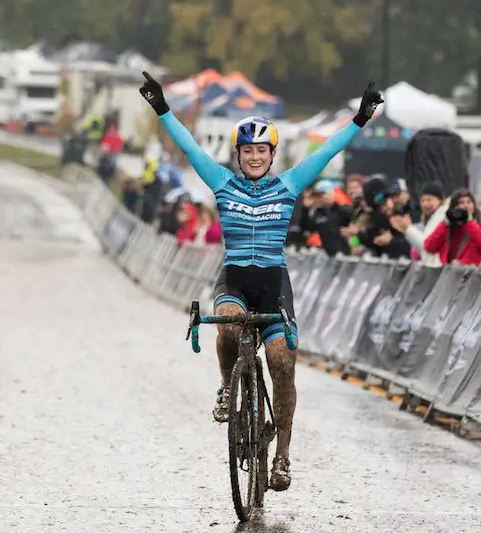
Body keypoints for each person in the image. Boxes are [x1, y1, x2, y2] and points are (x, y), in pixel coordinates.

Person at [139, 70, 383, 492]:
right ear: (238, 155)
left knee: (282, 362)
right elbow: (189, 146)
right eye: (248, 150)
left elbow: (327, 150)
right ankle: (224, 387)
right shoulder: (221, 182)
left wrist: (361, 119)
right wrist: (162, 108)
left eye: (261, 150)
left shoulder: (290, 184)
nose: (254, 157)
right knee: (229, 322)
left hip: (274, 285)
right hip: (233, 280)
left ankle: (283, 456)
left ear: (272, 154)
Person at [423, 188, 481, 266]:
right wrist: (445, 223)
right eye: (461, 202)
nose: (465, 205)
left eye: (469, 202)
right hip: (451, 274)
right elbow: (429, 247)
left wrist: (469, 222)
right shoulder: (449, 226)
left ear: (474, 205)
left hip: (475, 275)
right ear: (454, 207)